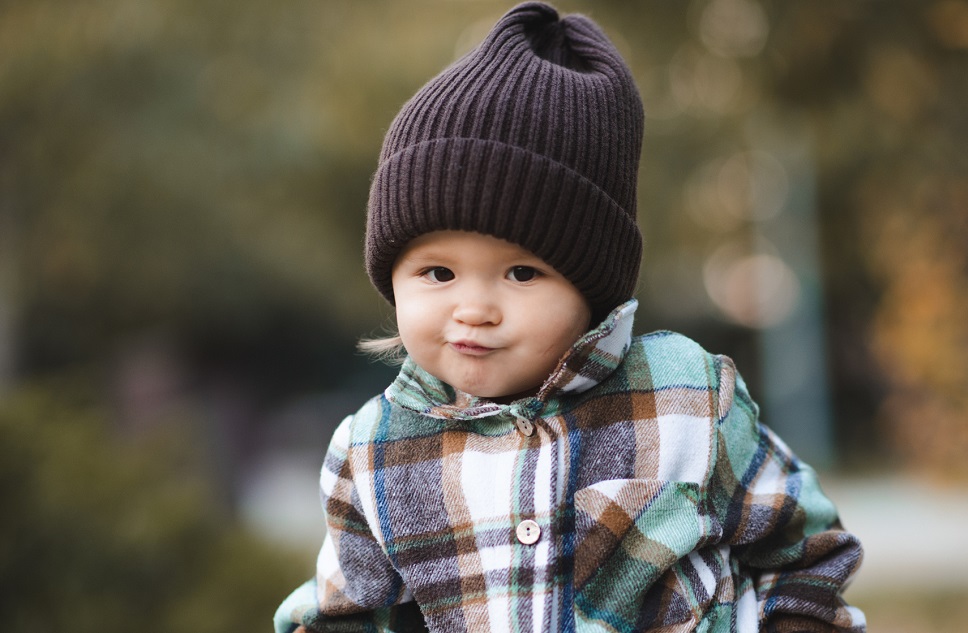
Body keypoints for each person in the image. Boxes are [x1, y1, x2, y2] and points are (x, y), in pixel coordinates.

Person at [274, 2, 866, 631]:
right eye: (437, 273)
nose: (473, 309)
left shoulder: (684, 398)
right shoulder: (371, 451)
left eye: (523, 273)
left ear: (593, 290)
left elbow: (805, 549)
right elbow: (337, 613)